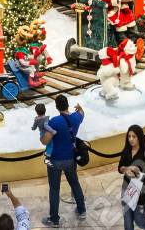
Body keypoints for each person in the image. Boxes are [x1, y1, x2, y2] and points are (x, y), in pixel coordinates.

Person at [41, 95, 85, 226]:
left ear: (56, 107)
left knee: (54, 189)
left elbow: (45, 141)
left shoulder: (54, 121)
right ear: (68, 105)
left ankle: (54, 219)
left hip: (55, 160)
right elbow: (82, 113)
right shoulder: (76, 117)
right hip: (71, 158)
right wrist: (80, 108)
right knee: (75, 184)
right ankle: (82, 210)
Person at [116, 124, 145, 230]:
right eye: (129, 136)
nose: (131, 139)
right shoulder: (126, 152)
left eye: (134, 136)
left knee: (139, 222)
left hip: (140, 192)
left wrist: (137, 172)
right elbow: (119, 168)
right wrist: (125, 169)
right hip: (127, 190)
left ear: (139, 137)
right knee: (128, 224)